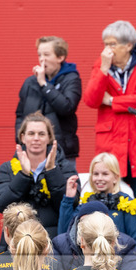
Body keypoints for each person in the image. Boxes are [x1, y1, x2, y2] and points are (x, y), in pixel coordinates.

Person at [81, 21, 136, 201]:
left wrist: (112, 101)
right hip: (111, 143)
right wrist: (103, 70)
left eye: (112, 44)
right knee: (110, 201)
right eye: (106, 44)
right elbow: (91, 100)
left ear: (128, 45)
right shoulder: (101, 65)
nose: (107, 49)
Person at [0, 113, 70, 240]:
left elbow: (69, 205)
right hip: (17, 242)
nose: (36, 138)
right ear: (23, 138)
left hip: (54, 242)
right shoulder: (7, 168)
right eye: (31, 133)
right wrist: (23, 175)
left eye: (41, 134)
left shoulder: (63, 167)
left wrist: (52, 171)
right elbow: (1, 205)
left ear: (49, 138)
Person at [15, 36, 81, 172]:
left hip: (62, 151)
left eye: (46, 54)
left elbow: (67, 107)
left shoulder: (71, 79)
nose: (41, 59)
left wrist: (44, 85)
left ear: (60, 57)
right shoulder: (30, 83)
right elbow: (20, 115)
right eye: (39, 55)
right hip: (31, 152)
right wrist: (21, 140)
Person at [58, 152, 136, 248]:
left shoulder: (129, 205)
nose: (99, 178)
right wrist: (68, 199)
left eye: (105, 174)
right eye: (96, 174)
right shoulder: (88, 202)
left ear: (116, 178)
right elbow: (64, 233)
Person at [51, 200, 136, 270]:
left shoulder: (126, 244)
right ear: (78, 224)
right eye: (86, 222)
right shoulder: (60, 244)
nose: (93, 226)